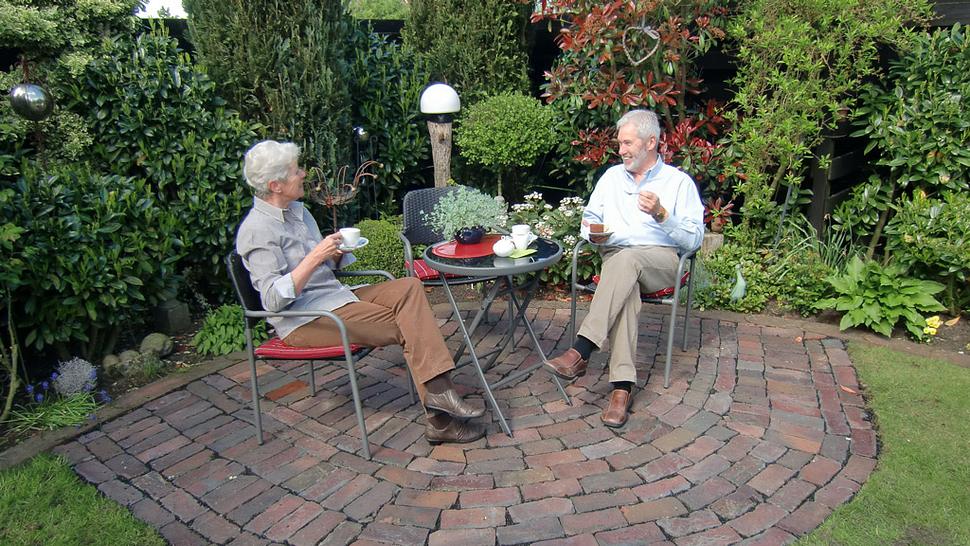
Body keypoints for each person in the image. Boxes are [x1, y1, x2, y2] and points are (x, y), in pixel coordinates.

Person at [236, 140, 485, 444]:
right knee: (410, 327)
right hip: (303, 318)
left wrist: (336, 252)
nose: (303, 174)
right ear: (275, 184)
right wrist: (315, 256)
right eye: (295, 171)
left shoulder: (298, 213)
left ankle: (440, 399)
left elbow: (329, 270)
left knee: (408, 287)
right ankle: (441, 416)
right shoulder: (256, 230)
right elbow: (273, 301)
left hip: (336, 295)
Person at [544, 109, 704, 427]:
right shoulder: (611, 178)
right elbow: (588, 219)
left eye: (627, 143)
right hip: (617, 259)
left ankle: (581, 349)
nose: (621, 151)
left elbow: (694, 240)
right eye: (620, 144)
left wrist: (662, 214)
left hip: (661, 260)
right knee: (625, 281)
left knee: (627, 261)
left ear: (651, 142)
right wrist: (593, 232)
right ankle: (622, 390)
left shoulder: (678, 183)